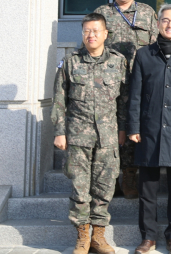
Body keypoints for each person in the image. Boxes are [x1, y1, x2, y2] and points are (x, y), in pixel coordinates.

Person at [51, 13, 128, 254]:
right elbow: (59, 100)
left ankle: (99, 236)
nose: (90, 35)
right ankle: (83, 236)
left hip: (108, 137)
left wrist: (123, 129)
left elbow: (124, 100)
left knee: (104, 188)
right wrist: (59, 132)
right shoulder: (70, 62)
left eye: (95, 31)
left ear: (105, 34)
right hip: (78, 137)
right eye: (86, 31)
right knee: (80, 188)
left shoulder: (118, 62)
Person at [127, 4, 171, 254]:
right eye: (165, 20)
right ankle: (148, 236)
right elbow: (135, 94)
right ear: (157, 24)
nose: (170, 25)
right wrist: (133, 127)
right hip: (149, 129)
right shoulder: (144, 55)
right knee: (147, 188)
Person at [94, 0, 159, 199]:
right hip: (109, 83)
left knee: (133, 128)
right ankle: (111, 178)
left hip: (139, 82)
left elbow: (155, 47)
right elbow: (91, 46)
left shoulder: (147, 13)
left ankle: (130, 175)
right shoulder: (102, 13)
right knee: (110, 129)